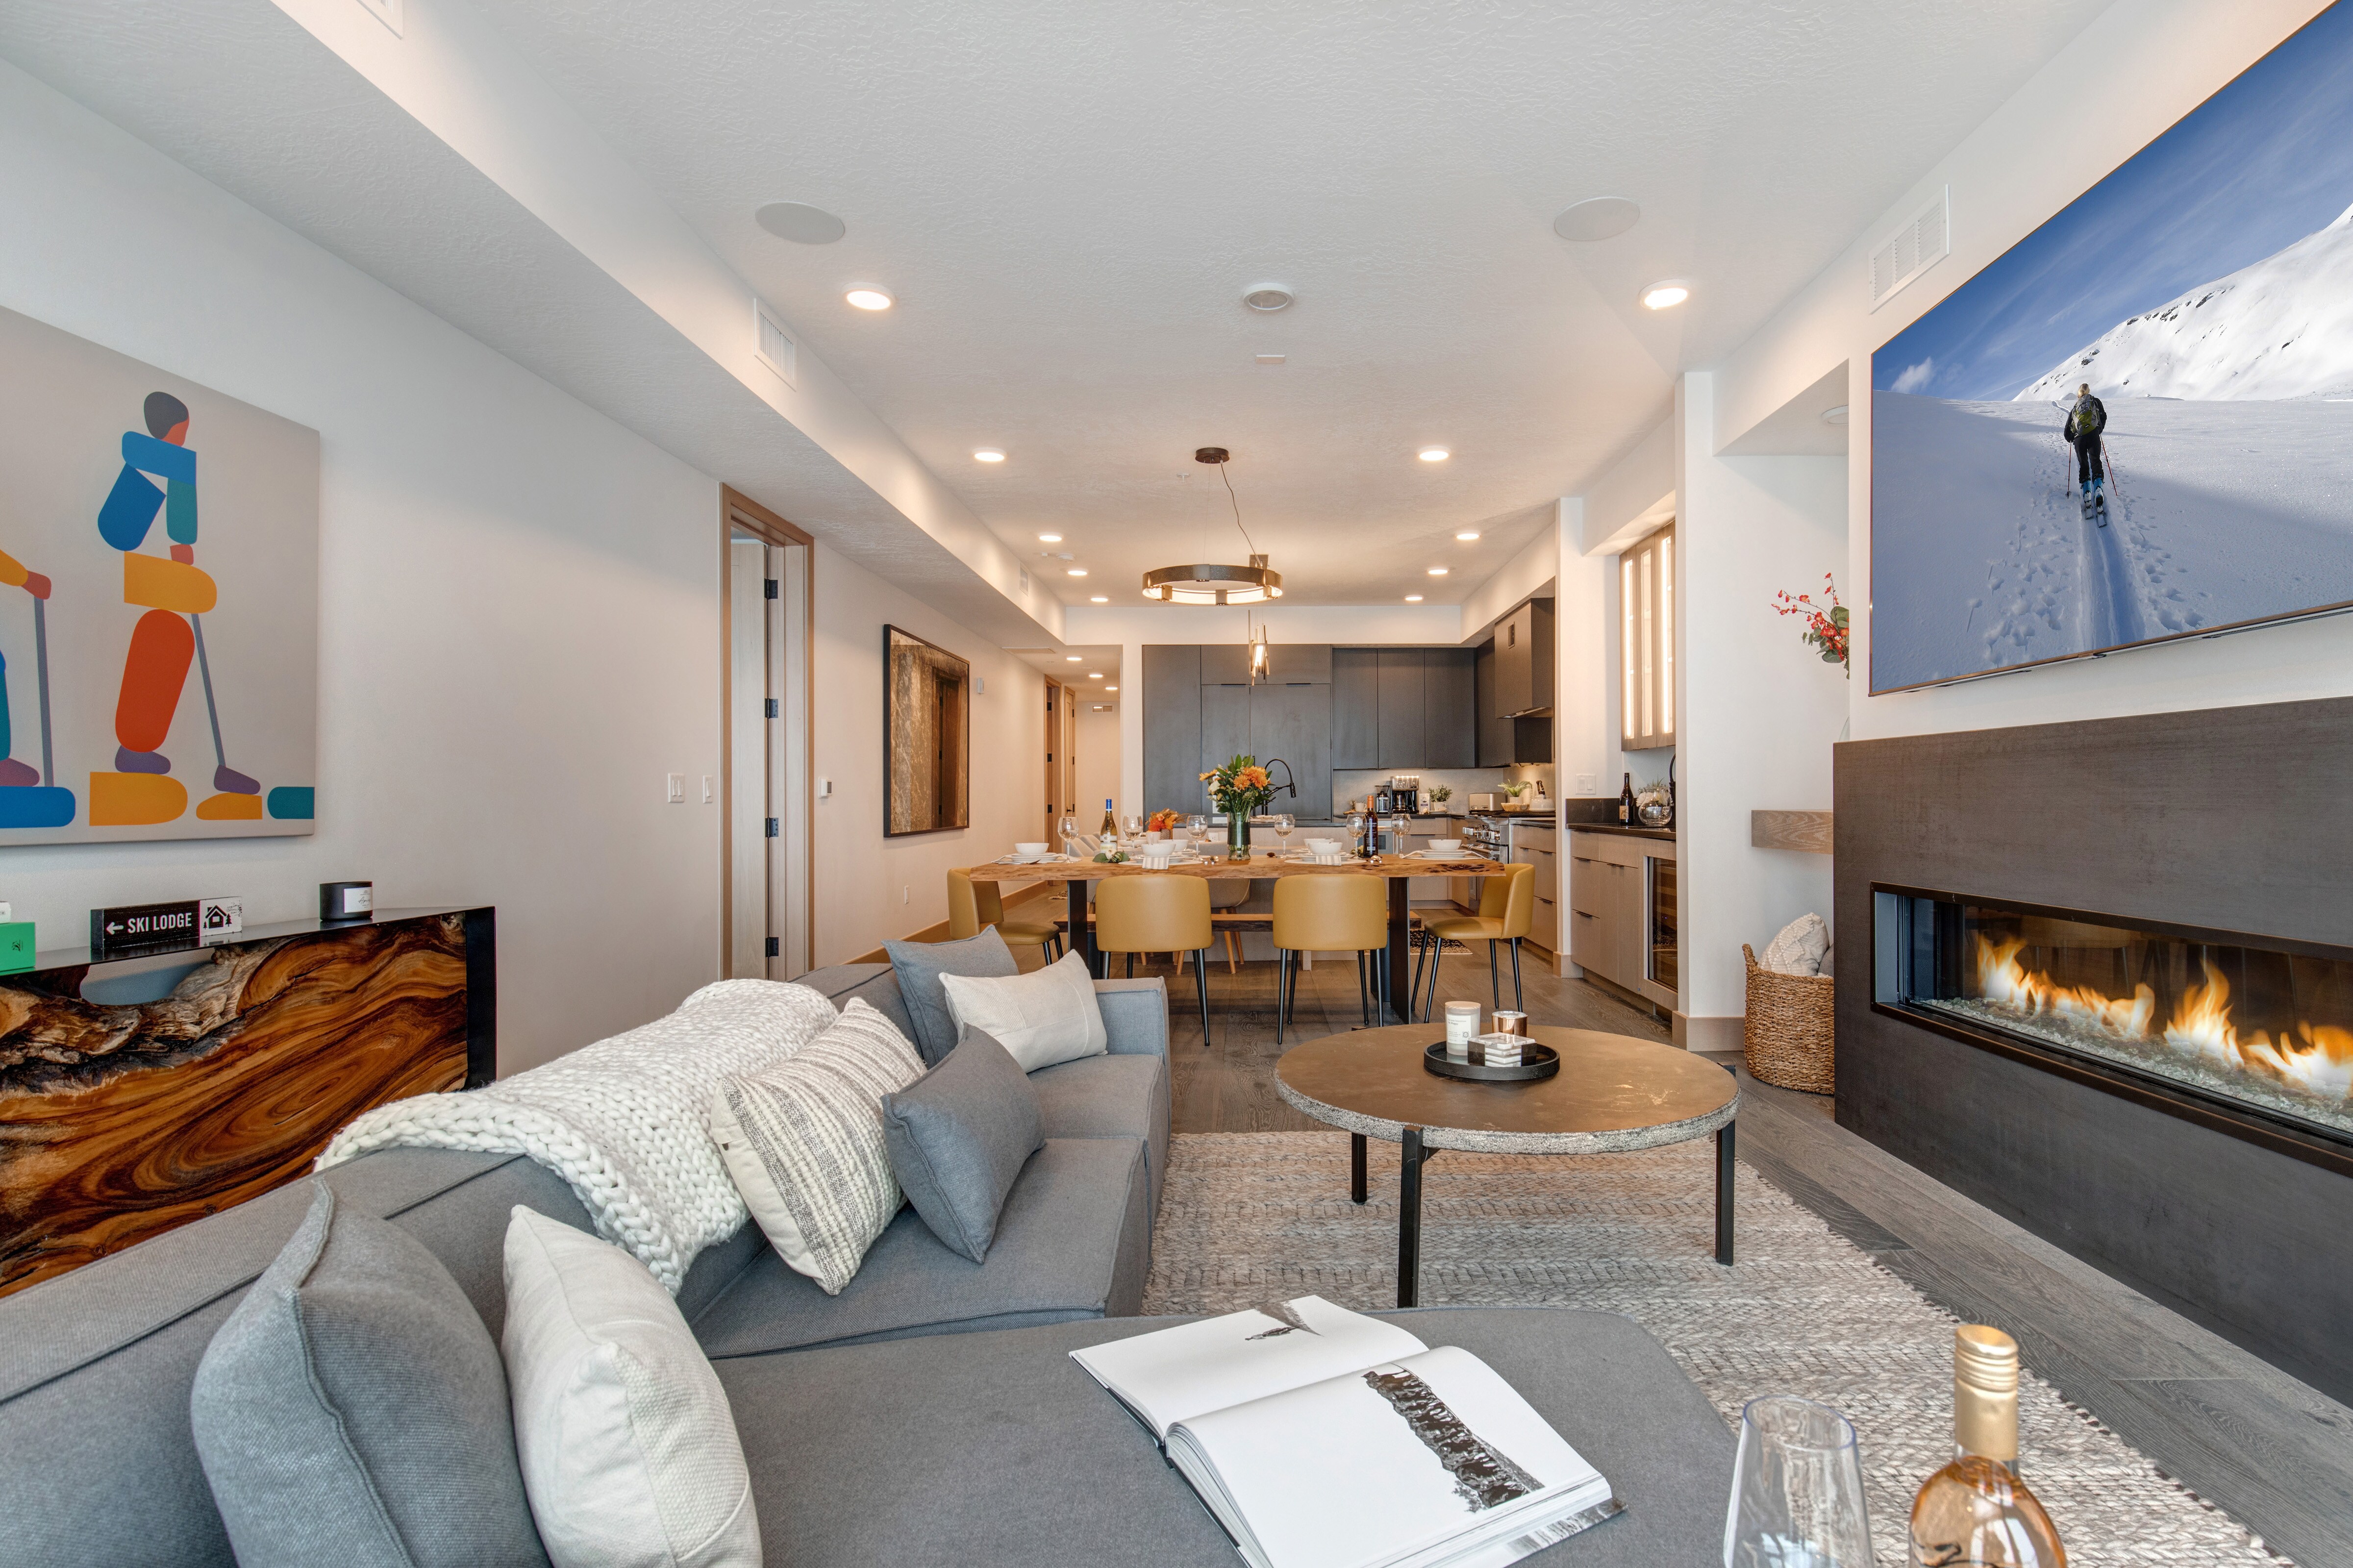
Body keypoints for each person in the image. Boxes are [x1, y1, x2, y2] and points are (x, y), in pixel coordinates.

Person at [2064, 382, 2107, 504]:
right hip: (2093, 435)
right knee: (2095, 461)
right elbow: (2103, 416)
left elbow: (2067, 432)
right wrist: (2099, 429)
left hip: (2079, 439)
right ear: (2088, 392)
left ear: (2079, 395)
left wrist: (2072, 437)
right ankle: (2098, 489)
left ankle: (2087, 491)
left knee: (2084, 465)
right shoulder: (2095, 401)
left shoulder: (2075, 408)